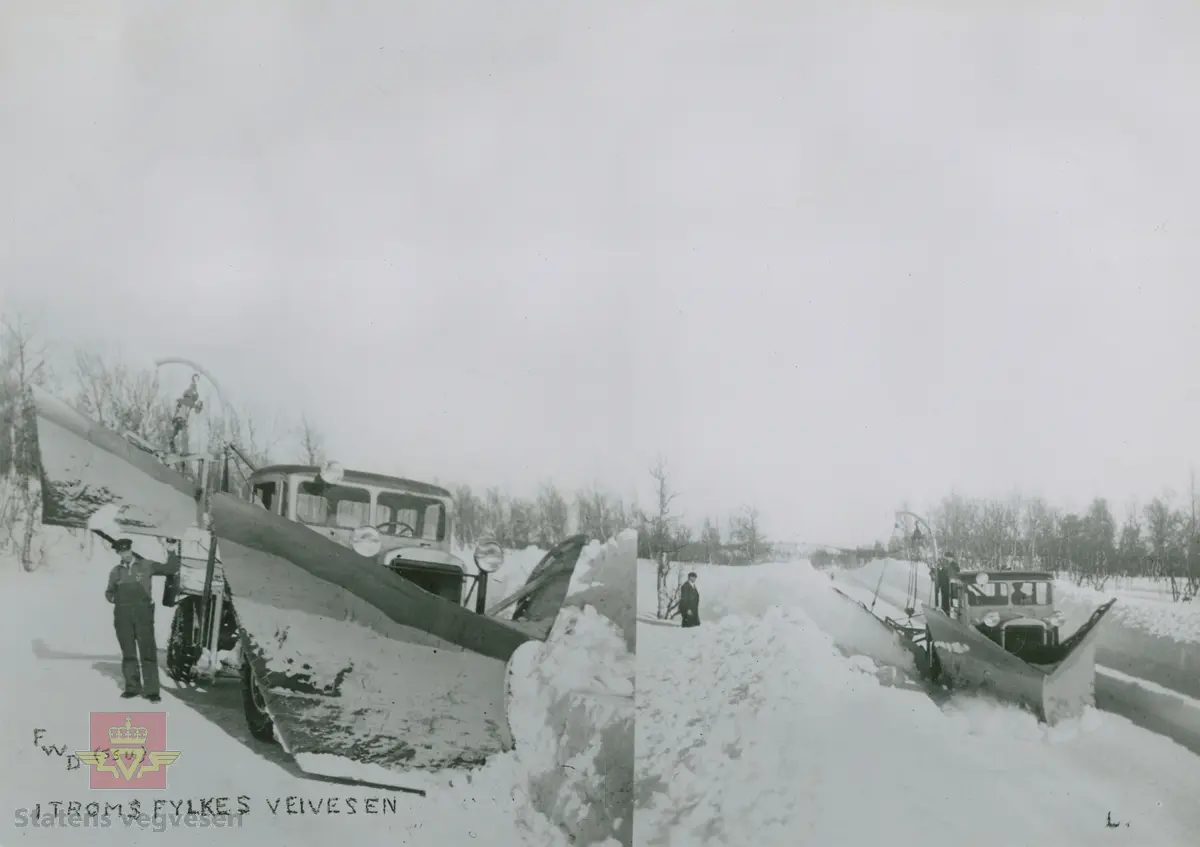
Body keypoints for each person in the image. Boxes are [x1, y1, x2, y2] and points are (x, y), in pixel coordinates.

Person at [104, 538, 181, 702]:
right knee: (128, 652)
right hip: (122, 615)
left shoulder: (146, 565)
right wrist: (114, 598)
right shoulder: (115, 571)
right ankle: (132, 688)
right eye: (120, 552)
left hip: (143, 614)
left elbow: (171, 568)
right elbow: (109, 592)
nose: (124, 554)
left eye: (126, 551)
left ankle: (152, 691)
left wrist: (171, 551)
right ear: (118, 553)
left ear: (131, 550)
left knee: (147, 651)